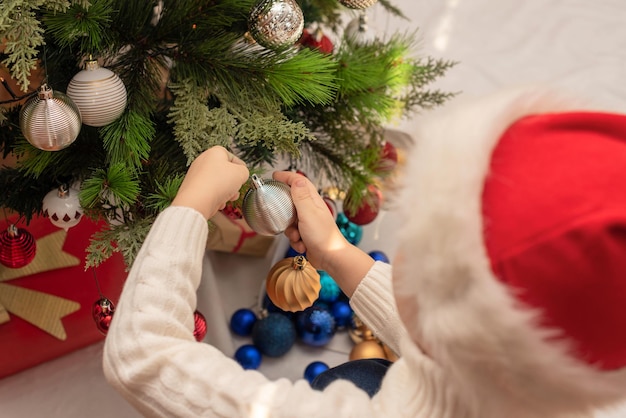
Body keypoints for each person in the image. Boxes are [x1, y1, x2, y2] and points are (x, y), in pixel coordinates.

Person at [103, 88, 626, 417]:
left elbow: (143, 358)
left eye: (420, 261)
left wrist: (191, 205)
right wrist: (333, 253)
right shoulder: (541, 379)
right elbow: (449, 352)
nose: (400, 267)